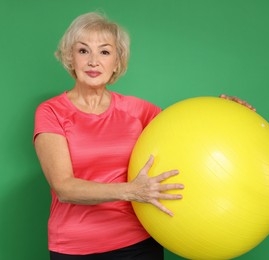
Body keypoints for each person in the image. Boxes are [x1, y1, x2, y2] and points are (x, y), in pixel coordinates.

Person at [34, 12, 254, 260]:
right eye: (83, 51)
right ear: (70, 58)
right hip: (75, 248)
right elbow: (64, 187)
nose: (93, 61)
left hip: (138, 244)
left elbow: (188, 136)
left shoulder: (138, 111)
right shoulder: (51, 111)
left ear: (117, 62)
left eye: (105, 52)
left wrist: (227, 114)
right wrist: (131, 191)